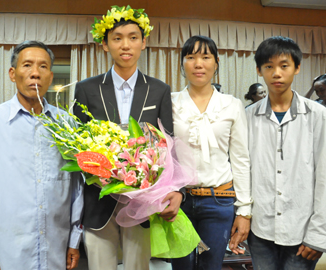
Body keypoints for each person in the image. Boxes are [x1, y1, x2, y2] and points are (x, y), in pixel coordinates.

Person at [73, 5, 182, 270]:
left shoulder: (158, 90)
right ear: (105, 44)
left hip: (143, 201)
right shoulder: (86, 89)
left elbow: (169, 143)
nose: (125, 45)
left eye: (133, 37)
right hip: (98, 200)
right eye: (117, 38)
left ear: (144, 43)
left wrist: (176, 191)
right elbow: (76, 146)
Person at [0, 40, 83, 270]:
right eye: (27, 66)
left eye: (43, 67)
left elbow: (76, 187)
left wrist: (74, 239)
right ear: (13, 74)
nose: (35, 73)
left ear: (51, 77)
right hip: (9, 250)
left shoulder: (68, 124)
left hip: (57, 247)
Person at [170, 35, 252, 270]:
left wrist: (244, 210)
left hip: (219, 201)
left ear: (216, 64)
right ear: (182, 64)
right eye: (191, 57)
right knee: (181, 267)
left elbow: (240, 159)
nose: (198, 64)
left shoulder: (231, 104)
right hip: (179, 201)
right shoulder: (170, 101)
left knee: (212, 266)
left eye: (206, 57)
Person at [246, 36, 326, 270]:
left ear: (297, 67)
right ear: (259, 71)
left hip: (302, 229)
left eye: (284, 65)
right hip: (260, 228)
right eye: (269, 66)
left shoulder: (318, 116)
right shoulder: (248, 116)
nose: (277, 73)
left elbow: (324, 177)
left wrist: (318, 234)